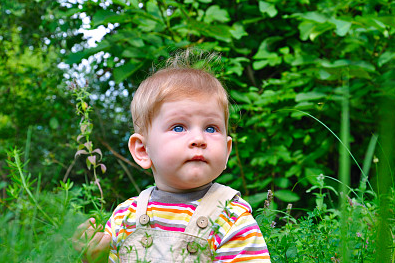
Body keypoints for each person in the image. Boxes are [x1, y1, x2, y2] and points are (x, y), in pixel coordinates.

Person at [73, 50, 271, 263]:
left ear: (227, 151)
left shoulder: (231, 218)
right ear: (142, 150)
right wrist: (94, 259)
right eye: (178, 127)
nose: (199, 139)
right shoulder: (125, 217)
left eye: (211, 128)